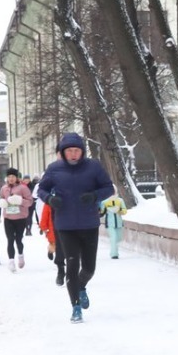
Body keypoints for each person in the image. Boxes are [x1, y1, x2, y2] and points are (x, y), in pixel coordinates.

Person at [34, 133, 115, 323]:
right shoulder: (54, 169)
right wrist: (50, 199)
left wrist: (94, 196)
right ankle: (75, 307)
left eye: (76, 150)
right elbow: (41, 190)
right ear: (63, 152)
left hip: (89, 224)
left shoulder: (93, 167)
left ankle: (82, 285)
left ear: (82, 152)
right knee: (71, 265)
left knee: (89, 268)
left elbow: (108, 188)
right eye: (69, 151)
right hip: (65, 225)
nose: (73, 154)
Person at [0, 168, 34, 271]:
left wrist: (20, 201)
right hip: (8, 217)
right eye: (9, 177)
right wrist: (2, 203)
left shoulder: (23, 188)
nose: (11, 179)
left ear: (17, 177)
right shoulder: (4, 188)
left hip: (20, 218)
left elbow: (30, 202)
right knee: (10, 240)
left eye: (13, 176)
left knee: (18, 239)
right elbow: (1, 198)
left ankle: (21, 255)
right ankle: (11, 261)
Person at [38, 198, 66, 287]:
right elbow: (45, 215)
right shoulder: (51, 201)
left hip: (68, 230)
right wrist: (43, 227)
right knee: (57, 248)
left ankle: (68, 273)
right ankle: (61, 270)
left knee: (67, 251)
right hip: (54, 230)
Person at [100, 193, 128, 259]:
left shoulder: (120, 200)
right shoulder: (104, 202)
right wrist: (103, 210)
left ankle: (114, 249)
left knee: (118, 238)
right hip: (110, 223)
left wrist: (119, 210)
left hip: (119, 223)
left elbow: (124, 211)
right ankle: (114, 254)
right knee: (113, 238)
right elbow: (101, 212)